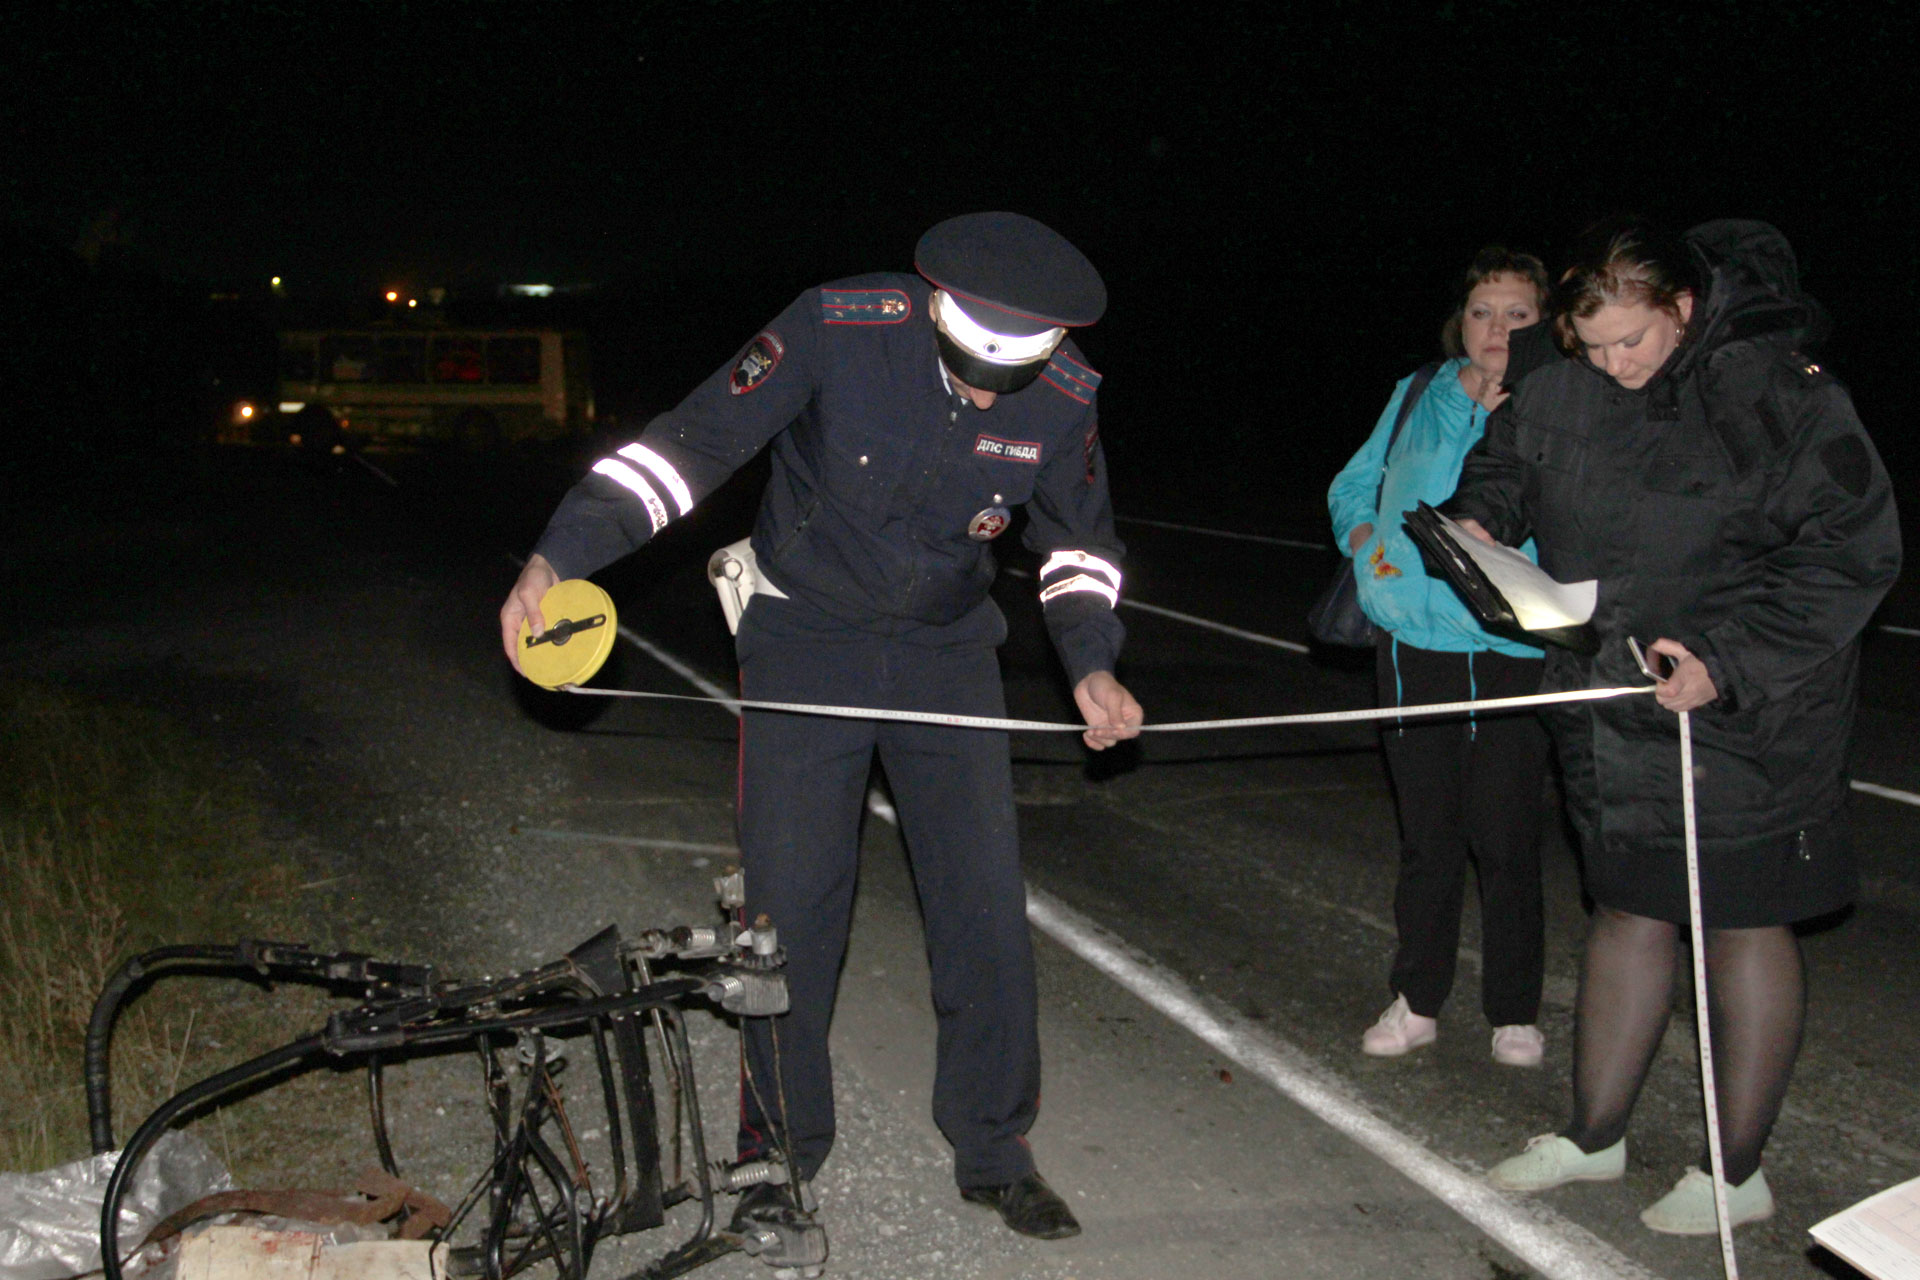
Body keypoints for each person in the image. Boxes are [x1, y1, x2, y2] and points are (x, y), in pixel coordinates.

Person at [499, 212, 1144, 1265]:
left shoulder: (1066, 394)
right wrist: (560, 556)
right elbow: (687, 449)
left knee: (982, 900)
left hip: (947, 655)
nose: (988, 396)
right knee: (788, 912)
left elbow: (1080, 548)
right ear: (939, 309)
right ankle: (778, 1154)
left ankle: (994, 1145)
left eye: (1010, 381)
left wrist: (1094, 662)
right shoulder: (838, 325)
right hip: (807, 635)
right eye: (974, 370)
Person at [1447, 219, 1899, 1233]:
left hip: (1747, 712)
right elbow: (1508, 462)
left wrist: (1727, 661)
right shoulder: (1565, 384)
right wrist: (1481, 518)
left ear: (1684, 311)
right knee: (1630, 905)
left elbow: (1849, 549)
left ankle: (1736, 1171)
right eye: (1592, 344)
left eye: (1634, 343)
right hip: (1610, 700)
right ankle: (1594, 1136)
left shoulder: (1780, 395)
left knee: (1739, 918)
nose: (1613, 365)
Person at [1328, 247, 1555, 1067]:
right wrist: (1367, 542)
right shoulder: (1419, 390)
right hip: (1411, 638)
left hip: (1508, 645)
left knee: (1504, 834)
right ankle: (1418, 998)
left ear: (1547, 323)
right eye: (1482, 312)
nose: (1497, 329)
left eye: (1518, 314)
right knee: (1427, 834)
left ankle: (1514, 1009)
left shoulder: (1557, 399)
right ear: (1460, 319)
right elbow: (1355, 481)